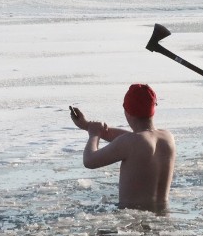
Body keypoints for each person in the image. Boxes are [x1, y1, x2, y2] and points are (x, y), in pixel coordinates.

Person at [70, 84, 176, 213]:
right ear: (154, 108)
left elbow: (89, 160)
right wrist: (88, 126)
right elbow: (130, 138)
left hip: (133, 220)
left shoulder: (131, 142)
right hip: (162, 215)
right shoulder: (167, 137)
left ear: (127, 111)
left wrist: (93, 135)